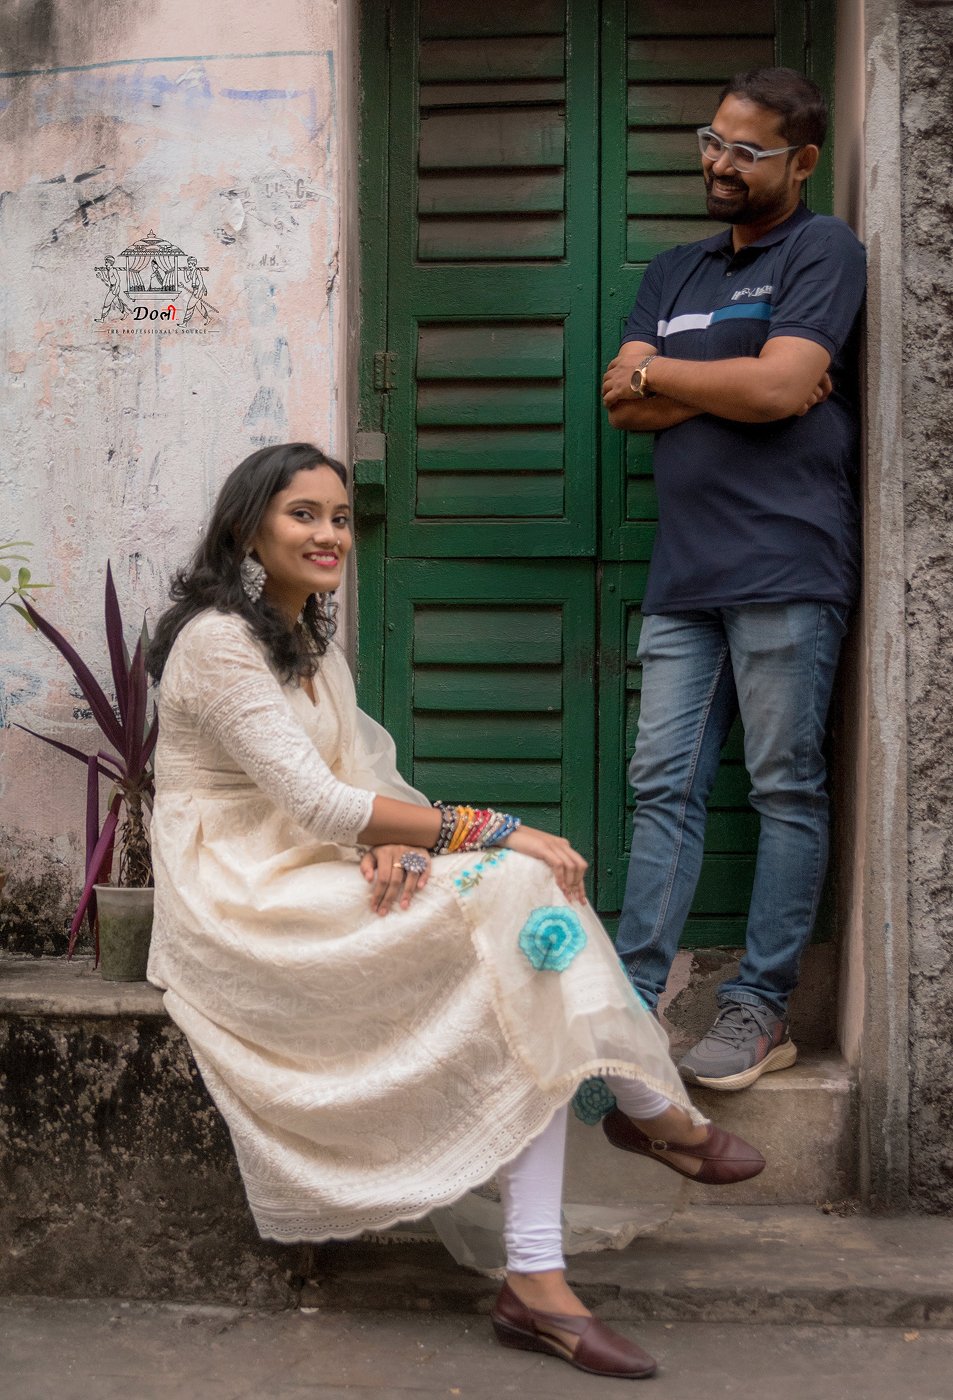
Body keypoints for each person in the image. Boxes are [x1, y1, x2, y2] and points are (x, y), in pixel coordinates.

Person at [146, 441, 765, 1381]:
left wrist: (396, 841)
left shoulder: (308, 641)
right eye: (303, 514)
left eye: (340, 517)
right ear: (246, 528)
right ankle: (645, 1115)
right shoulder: (217, 642)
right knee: (516, 878)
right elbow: (319, 803)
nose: (329, 534)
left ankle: (545, 1271)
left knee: (525, 940)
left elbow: (361, 778)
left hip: (317, 862)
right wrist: (495, 827)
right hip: (242, 890)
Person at [601, 68, 866, 1092]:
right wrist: (740, 383)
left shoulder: (821, 249)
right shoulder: (675, 269)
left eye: (746, 151)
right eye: (712, 140)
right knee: (659, 784)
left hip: (786, 561)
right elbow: (624, 401)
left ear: (801, 161)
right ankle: (630, 1002)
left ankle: (759, 1007)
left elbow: (783, 384)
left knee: (782, 786)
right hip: (684, 575)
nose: (718, 163)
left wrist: (673, 374)